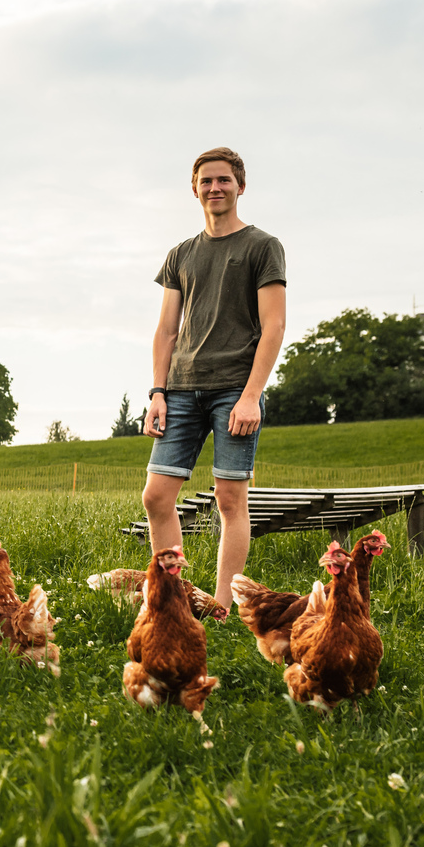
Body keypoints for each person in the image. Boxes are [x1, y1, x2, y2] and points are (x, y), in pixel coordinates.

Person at [142, 146, 287, 600]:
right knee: (156, 498)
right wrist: (158, 392)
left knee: (229, 499)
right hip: (181, 389)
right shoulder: (180, 254)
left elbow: (275, 325)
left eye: (223, 180)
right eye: (206, 181)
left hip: (234, 391)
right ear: (194, 189)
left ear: (240, 186)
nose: (215, 188)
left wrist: (251, 396)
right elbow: (167, 330)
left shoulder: (262, 247)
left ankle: (223, 605)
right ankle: (176, 598)